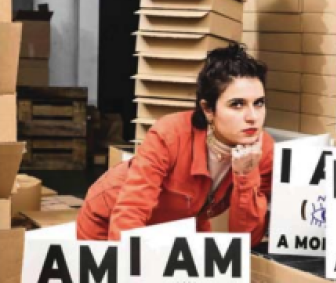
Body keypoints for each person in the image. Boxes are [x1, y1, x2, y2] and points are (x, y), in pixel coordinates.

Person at [77, 43, 274, 247]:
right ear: (208, 109)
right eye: (237, 104)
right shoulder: (169, 135)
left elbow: (247, 239)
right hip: (108, 223)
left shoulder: (262, 148)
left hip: (178, 227)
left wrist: (246, 176)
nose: (252, 117)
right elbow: (130, 212)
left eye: (259, 103)